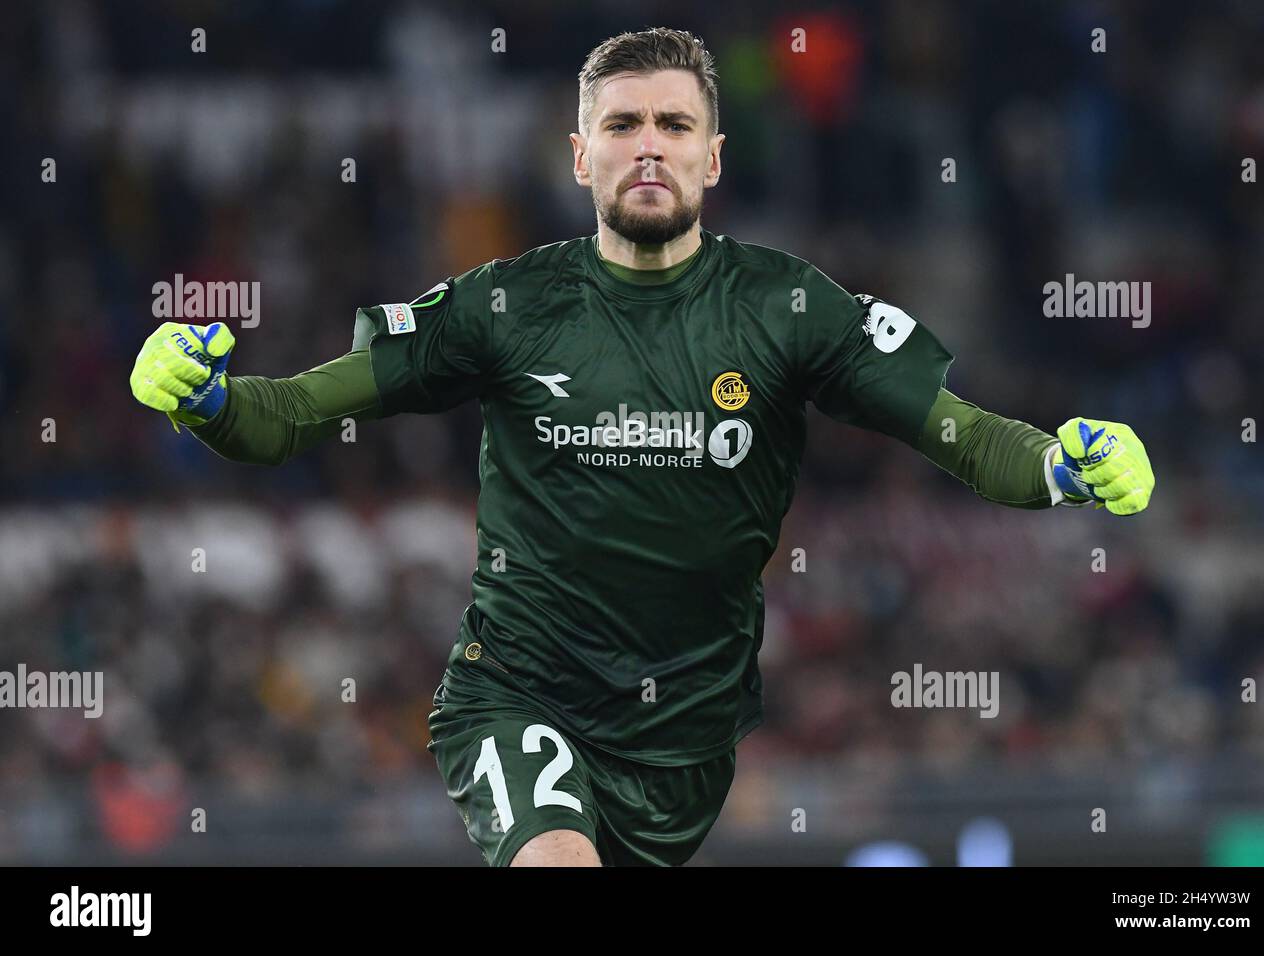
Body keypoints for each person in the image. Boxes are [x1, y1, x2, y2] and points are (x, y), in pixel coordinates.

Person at [129, 27, 1154, 867]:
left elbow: (964, 436)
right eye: (621, 124)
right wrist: (207, 399)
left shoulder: (787, 307)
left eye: (674, 123)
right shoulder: (506, 305)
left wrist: (1063, 464)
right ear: (581, 155)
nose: (648, 145)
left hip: (686, 740)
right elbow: (289, 411)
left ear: (714, 154)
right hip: (517, 690)